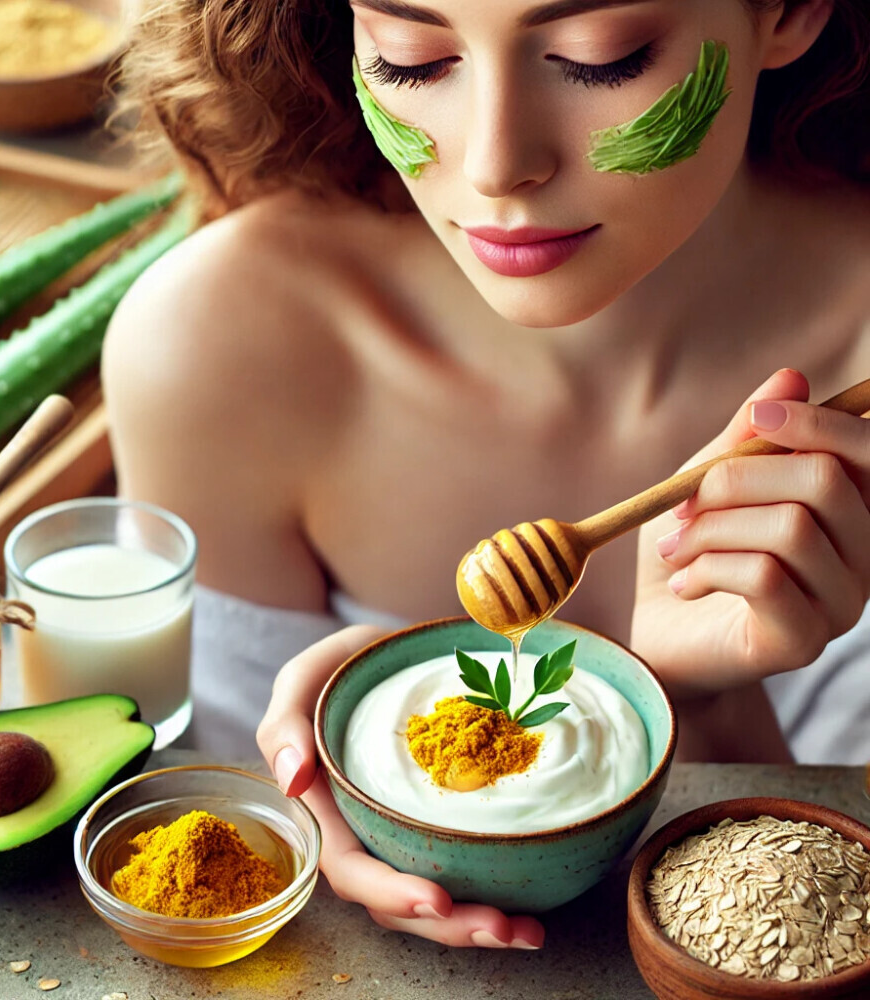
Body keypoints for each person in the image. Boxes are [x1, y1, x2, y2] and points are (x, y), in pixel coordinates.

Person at [102, 0, 869, 948]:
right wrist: (322, 809)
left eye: (600, 57)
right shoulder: (221, 346)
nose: (494, 164)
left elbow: (825, 919)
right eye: (413, 59)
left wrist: (707, 699)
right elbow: (223, 845)